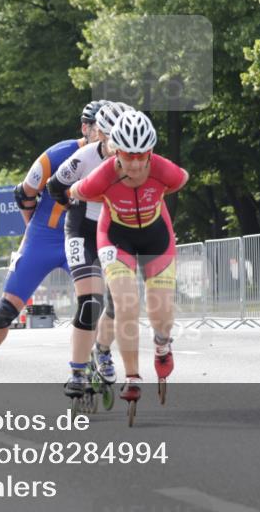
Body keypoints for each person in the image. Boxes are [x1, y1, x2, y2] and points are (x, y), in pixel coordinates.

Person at [0, 102, 101, 410]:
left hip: (82, 237)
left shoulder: (117, 159)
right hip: (44, 236)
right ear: (85, 128)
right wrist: (33, 232)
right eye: (100, 128)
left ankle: (84, 365)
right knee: (5, 310)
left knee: (94, 302)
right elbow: (24, 193)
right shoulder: (58, 154)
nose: (107, 134)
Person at [70, 110, 189, 407]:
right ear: (115, 151)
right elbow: (75, 191)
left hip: (157, 236)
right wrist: (105, 199)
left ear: (150, 152)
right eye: (127, 155)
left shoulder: (165, 171)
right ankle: (133, 376)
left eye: (142, 156)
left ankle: (162, 345)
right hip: (115, 237)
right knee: (125, 302)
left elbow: (181, 180)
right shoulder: (103, 176)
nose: (135, 164)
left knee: (160, 312)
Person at [46, 101, 132, 391]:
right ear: (100, 134)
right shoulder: (83, 158)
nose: (117, 148)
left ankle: (103, 351)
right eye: (110, 140)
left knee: (120, 302)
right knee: (90, 301)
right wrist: (70, 201)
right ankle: (77, 371)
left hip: (116, 232)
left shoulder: (136, 159)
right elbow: (53, 185)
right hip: (82, 229)